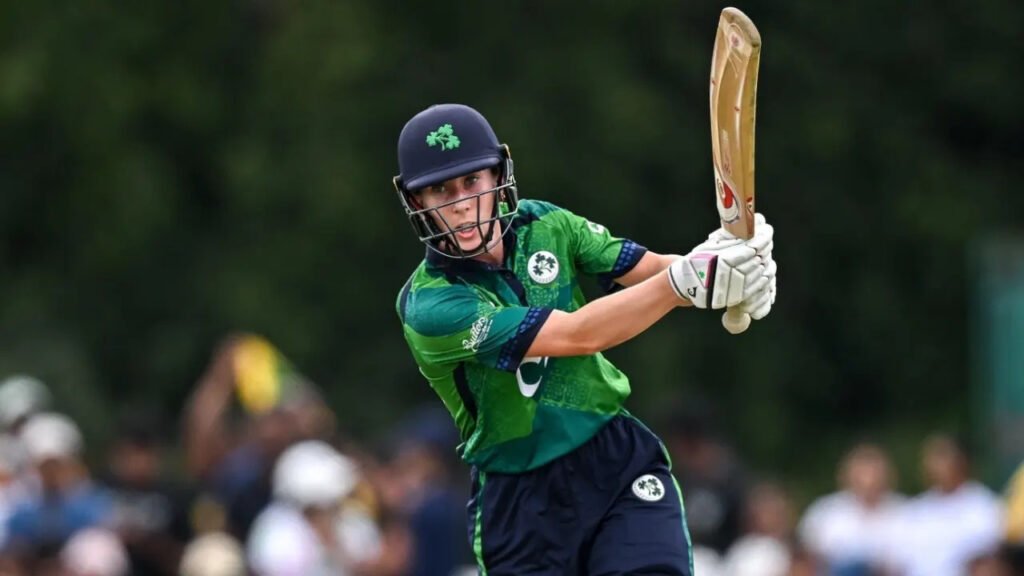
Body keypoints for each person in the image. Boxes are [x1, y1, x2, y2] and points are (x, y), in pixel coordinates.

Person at [391, 103, 778, 574]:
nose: (461, 204)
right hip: (521, 502)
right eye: (440, 190)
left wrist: (729, 266)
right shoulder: (430, 306)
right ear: (416, 203)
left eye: (472, 181)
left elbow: (652, 271)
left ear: (498, 176)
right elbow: (578, 334)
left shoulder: (546, 224)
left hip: (614, 462)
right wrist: (687, 282)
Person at [797, 443, 905, 576]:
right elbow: (804, 561)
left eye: (874, 471)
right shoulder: (825, 513)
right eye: (862, 471)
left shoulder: (905, 513)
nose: (868, 479)